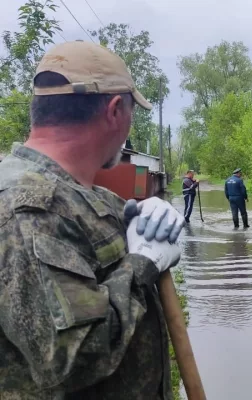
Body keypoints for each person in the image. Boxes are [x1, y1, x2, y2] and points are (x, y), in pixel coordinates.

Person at [0, 41, 185, 399]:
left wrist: (149, 213)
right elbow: (72, 356)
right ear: (116, 110)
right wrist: (143, 263)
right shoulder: (25, 211)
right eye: (134, 111)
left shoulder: (84, 196)